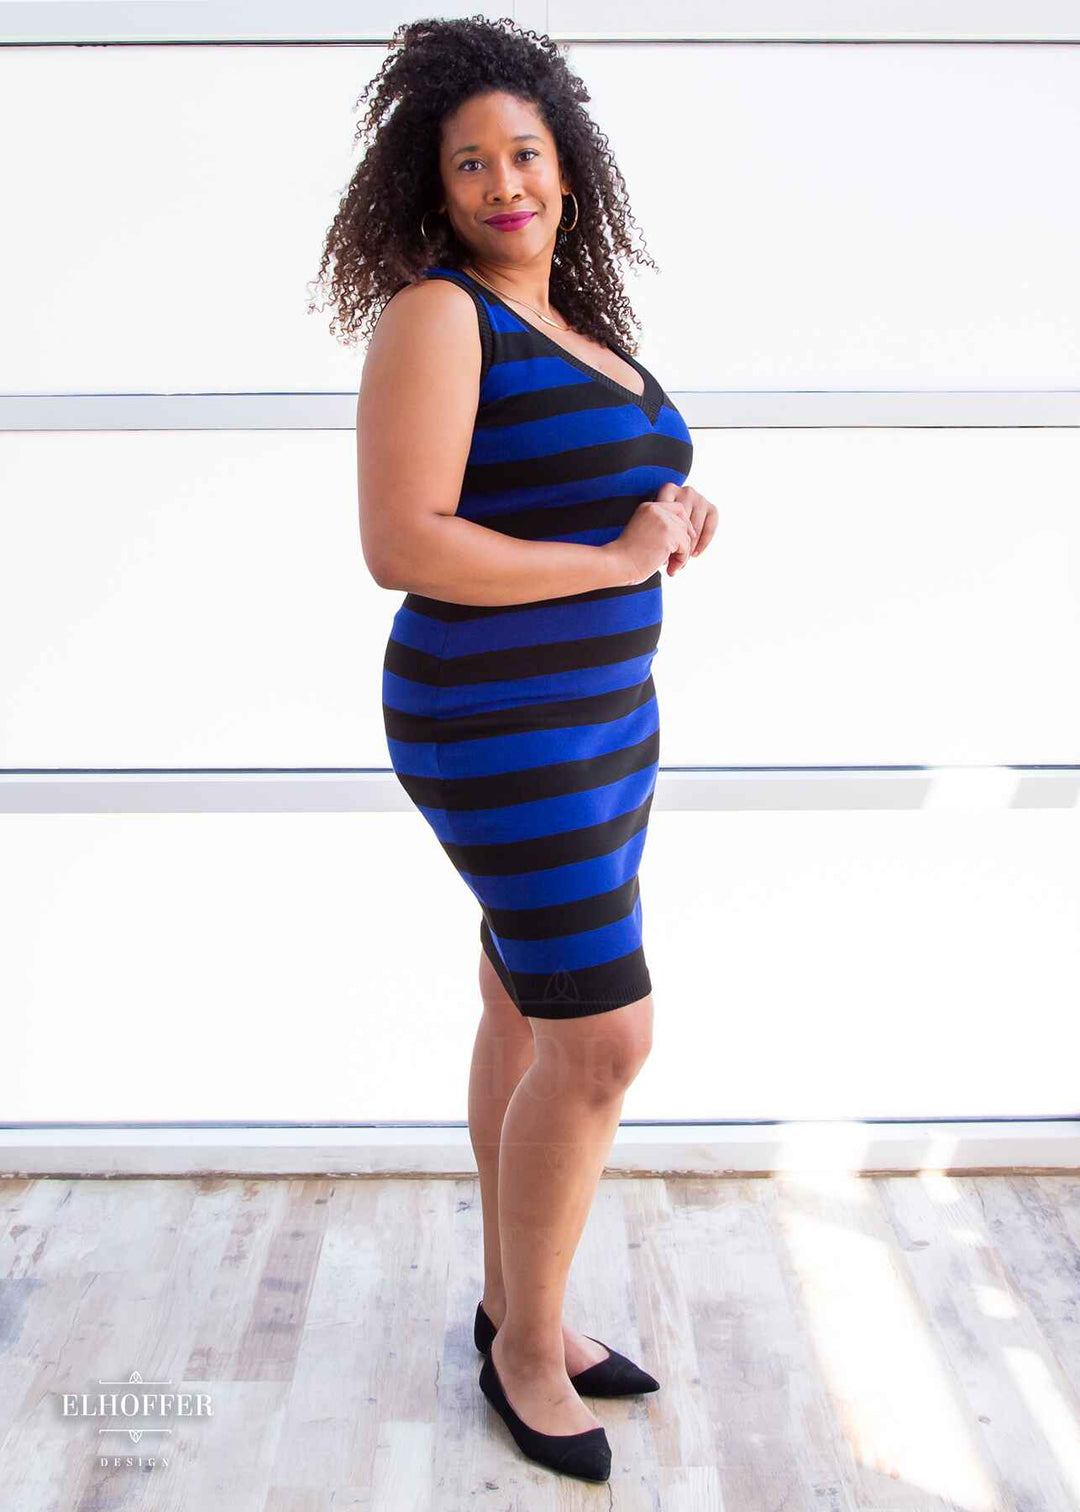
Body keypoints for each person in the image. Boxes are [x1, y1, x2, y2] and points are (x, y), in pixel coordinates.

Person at [312, 15, 716, 1485]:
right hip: (497, 720)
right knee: (603, 1039)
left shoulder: (579, 327)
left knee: (526, 1007)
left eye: (525, 154)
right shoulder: (440, 314)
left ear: (569, 168)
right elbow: (404, 540)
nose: (504, 183)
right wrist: (609, 561)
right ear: (434, 189)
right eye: (470, 162)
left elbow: (589, 497)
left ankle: (508, 1303)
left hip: (604, 721)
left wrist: (671, 519)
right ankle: (529, 1356)